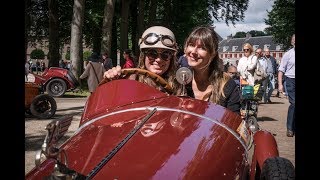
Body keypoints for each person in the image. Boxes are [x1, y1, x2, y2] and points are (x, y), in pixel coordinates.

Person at [176, 26, 241, 113]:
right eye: (191, 45)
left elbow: (233, 122)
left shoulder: (227, 85)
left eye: (202, 47)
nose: (193, 52)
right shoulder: (178, 80)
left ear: (212, 54)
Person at [103, 26, 178, 93]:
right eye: (152, 54)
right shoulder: (130, 80)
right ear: (143, 56)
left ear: (171, 58)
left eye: (165, 55)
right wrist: (112, 80)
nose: (158, 59)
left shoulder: (179, 85)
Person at [278, 34, 295, 137]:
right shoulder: (288, 54)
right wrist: (280, 84)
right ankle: (290, 128)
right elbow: (281, 70)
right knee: (294, 103)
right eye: (293, 40)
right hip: (290, 80)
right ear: (292, 42)